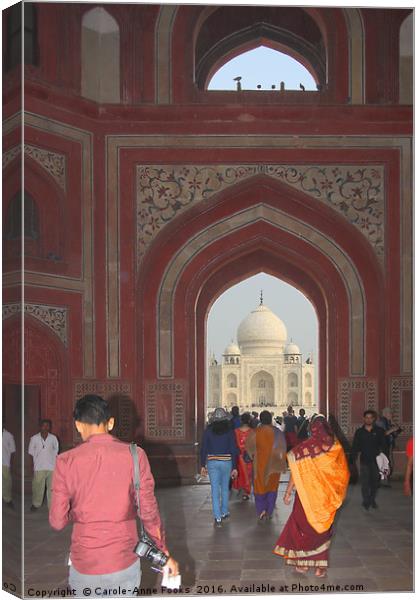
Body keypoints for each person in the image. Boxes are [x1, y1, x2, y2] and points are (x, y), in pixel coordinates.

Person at [49, 394, 179, 596]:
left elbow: (57, 521)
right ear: (110, 423)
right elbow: (149, 512)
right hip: (123, 560)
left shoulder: (65, 461)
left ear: (78, 425)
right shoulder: (135, 455)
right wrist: (162, 551)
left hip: (84, 563)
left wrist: (79, 513)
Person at [274, 415, 349, 578]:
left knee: (303, 528)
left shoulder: (304, 448)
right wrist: (338, 493)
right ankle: (320, 567)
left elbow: (295, 471)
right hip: (325, 497)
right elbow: (342, 473)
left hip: (305, 497)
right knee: (321, 529)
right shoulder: (336, 448)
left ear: (311, 429)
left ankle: (302, 563)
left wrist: (287, 492)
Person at [200, 408, 238, 527]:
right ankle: (224, 511)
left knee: (214, 489)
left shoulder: (208, 431)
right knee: (225, 488)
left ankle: (217, 517)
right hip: (226, 461)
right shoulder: (229, 432)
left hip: (212, 462)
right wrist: (235, 467)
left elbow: (204, 449)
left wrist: (202, 465)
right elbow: (233, 449)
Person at [245, 410, 287, 520]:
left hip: (260, 465)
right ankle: (269, 511)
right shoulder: (277, 432)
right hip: (274, 465)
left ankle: (261, 510)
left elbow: (249, 449)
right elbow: (283, 449)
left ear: (260, 419)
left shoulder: (255, 432)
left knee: (259, 487)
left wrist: (252, 457)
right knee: (272, 487)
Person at [351, 410, 386, 510]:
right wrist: (352, 459)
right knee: (365, 483)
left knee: (374, 483)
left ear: (374, 419)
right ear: (363, 419)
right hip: (364, 461)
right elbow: (355, 446)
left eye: (371, 417)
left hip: (376, 461)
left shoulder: (379, 431)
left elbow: (384, 445)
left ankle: (372, 500)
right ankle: (366, 501)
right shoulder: (359, 432)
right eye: (367, 417)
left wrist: (384, 459)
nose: (369, 419)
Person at [28, 419, 59, 510]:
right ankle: (36, 504)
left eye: (47, 426)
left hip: (52, 467)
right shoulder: (34, 438)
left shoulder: (53, 438)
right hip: (39, 467)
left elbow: (56, 452)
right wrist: (31, 466)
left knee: (52, 488)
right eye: (43, 425)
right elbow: (30, 453)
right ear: (40, 426)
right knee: (37, 487)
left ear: (50, 427)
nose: (45, 427)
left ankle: (52, 506)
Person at [376, 407, 402, 481]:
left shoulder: (387, 422)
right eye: (391, 413)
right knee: (385, 463)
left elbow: (397, 431)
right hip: (382, 446)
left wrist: (393, 424)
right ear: (385, 413)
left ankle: (384, 478)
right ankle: (382, 479)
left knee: (388, 463)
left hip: (387, 445)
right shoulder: (381, 422)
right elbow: (381, 434)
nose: (392, 415)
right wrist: (392, 429)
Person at [232, 413, 253, 500]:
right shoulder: (252, 431)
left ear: (241, 420)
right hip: (249, 456)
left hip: (239, 455)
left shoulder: (236, 431)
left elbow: (233, 444)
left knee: (240, 473)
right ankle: (246, 492)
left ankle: (241, 488)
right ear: (249, 420)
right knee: (248, 474)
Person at [3, 424, 16, 508]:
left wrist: (11, 464)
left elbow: (12, 450)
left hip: (4, 463)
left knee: (7, 482)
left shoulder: (8, 435)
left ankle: (7, 499)